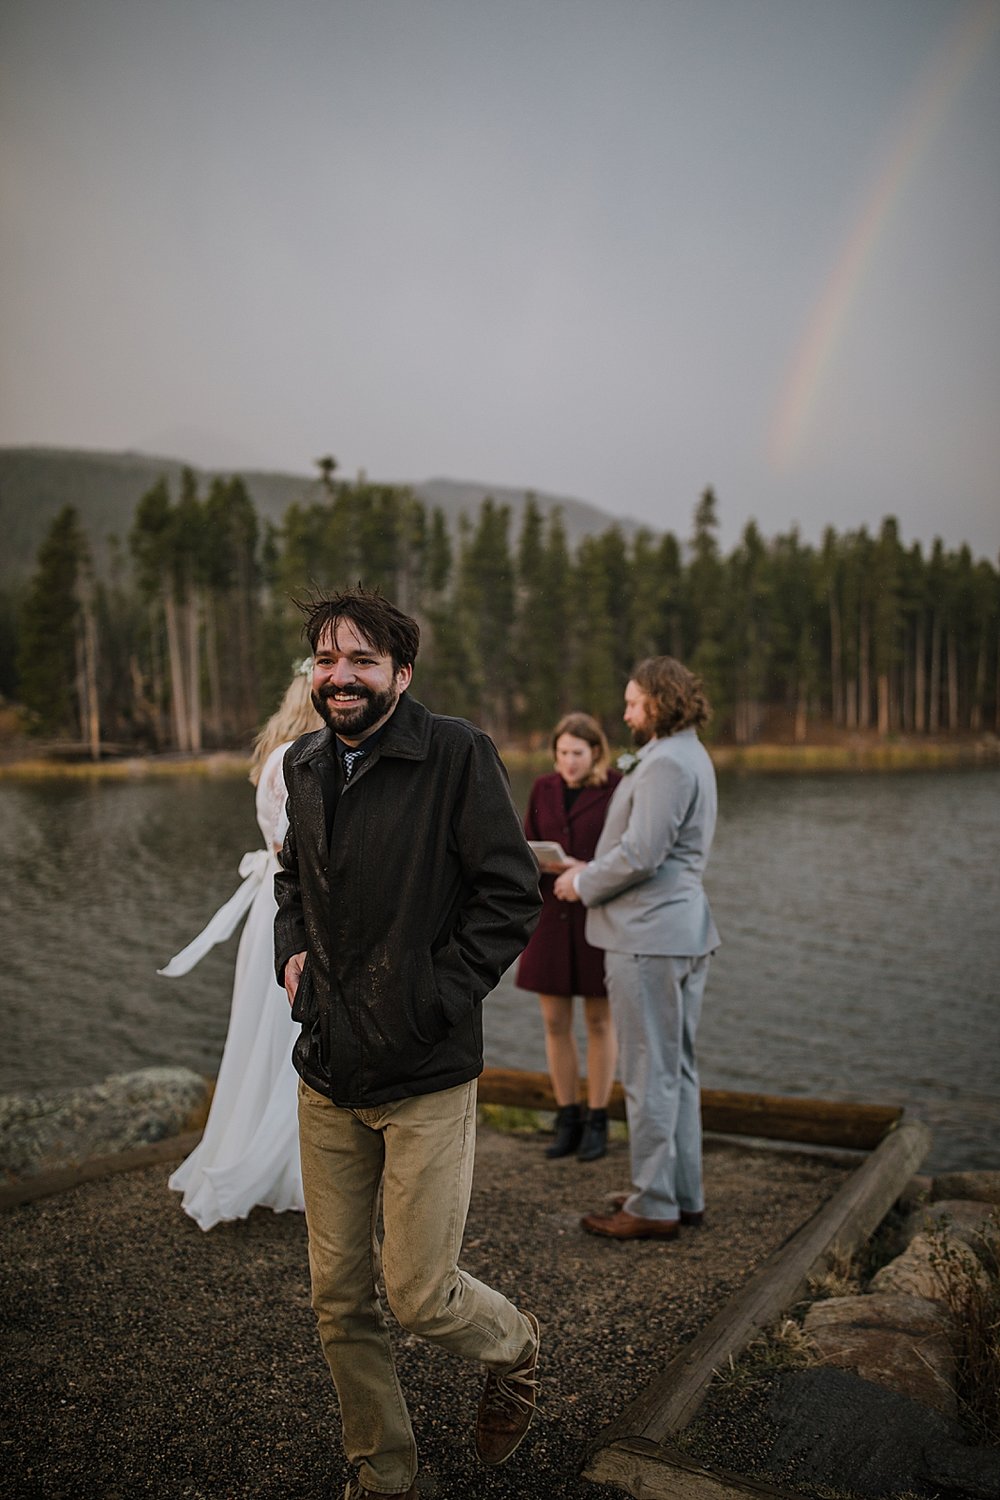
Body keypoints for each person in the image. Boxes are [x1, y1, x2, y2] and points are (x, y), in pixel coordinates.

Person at [274, 587, 543, 1500]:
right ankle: (383, 1474)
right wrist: (292, 949)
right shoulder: (303, 764)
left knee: (419, 1295)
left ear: (401, 674)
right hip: (327, 1070)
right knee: (338, 1301)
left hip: (425, 1069)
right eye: (325, 659)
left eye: (360, 660)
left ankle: (516, 1348)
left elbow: (511, 895)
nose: (339, 676)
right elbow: (289, 883)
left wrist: (436, 996)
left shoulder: (457, 754)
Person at [554, 656, 719, 1241]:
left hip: (650, 936)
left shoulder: (666, 764)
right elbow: (653, 851)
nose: (624, 713)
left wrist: (581, 882)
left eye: (632, 703)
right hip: (676, 931)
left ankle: (652, 1206)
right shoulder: (685, 754)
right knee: (675, 1070)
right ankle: (681, 1194)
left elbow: (643, 855)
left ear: (660, 701)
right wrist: (590, 865)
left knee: (650, 1072)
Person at [158, 662, 322, 1230]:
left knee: (268, 1035)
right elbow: (297, 853)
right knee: (291, 1034)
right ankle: (292, 1165)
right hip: (294, 912)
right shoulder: (299, 760)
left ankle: (281, 1152)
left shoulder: (275, 754)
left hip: (267, 910)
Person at [516, 712, 621, 1161]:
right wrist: (539, 862)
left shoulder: (617, 788)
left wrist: (586, 872)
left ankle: (598, 1119)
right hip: (551, 918)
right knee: (555, 1024)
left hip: (599, 919)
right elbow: (524, 846)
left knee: (600, 1023)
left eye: (577, 753)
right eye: (561, 753)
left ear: (595, 752)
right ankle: (568, 1117)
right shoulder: (543, 788)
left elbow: (627, 856)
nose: (568, 763)